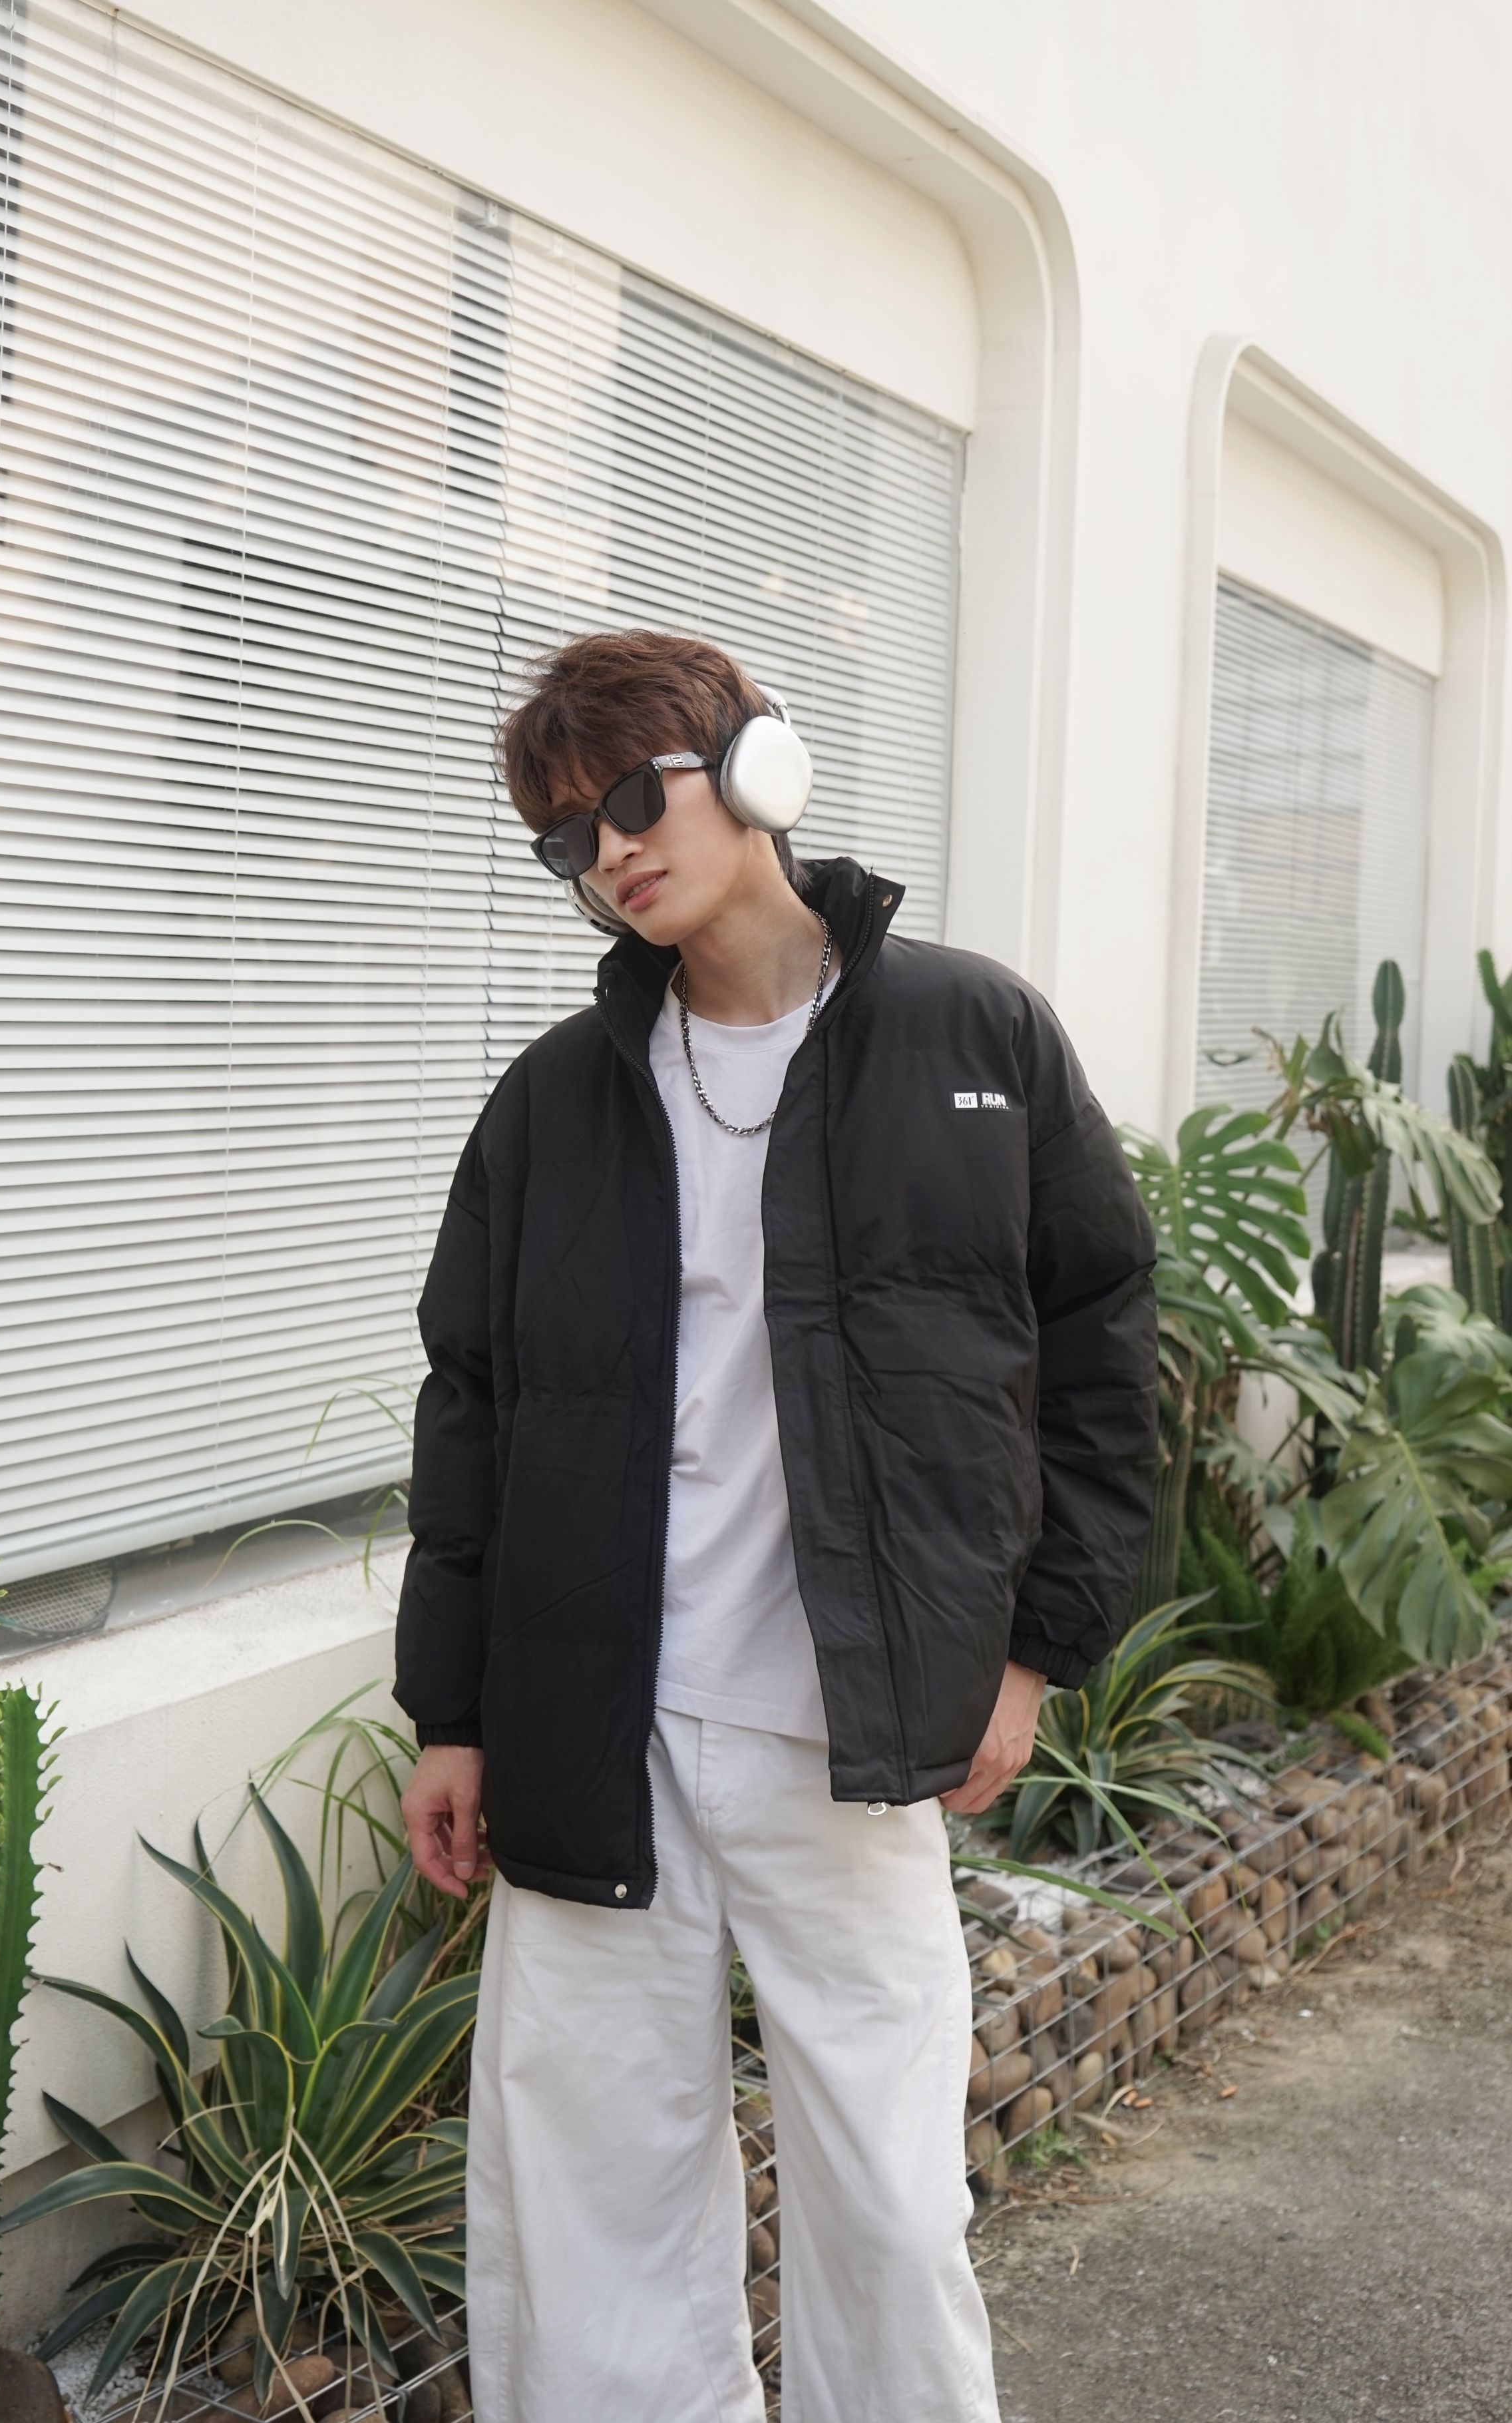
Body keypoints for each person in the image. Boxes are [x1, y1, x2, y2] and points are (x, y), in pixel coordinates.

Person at [394, 629, 1158, 2422]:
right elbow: (472, 1410)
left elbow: (1101, 1352)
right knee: (589, 2196)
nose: (607, 853)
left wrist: (1034, 1655)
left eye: (627, 799)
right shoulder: (555, 1100)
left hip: (846, 1725)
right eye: (564, 835)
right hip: (599, 1723)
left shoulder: (974, 1036)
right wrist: (453, 1713)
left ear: (755, 772)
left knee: (888, 2201)